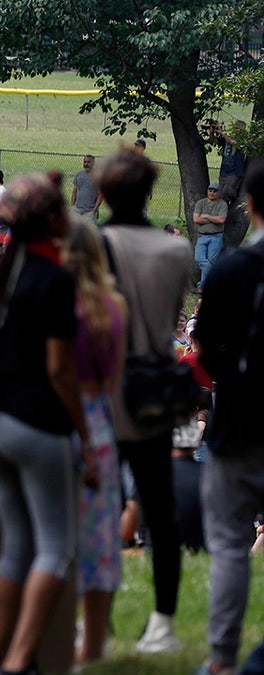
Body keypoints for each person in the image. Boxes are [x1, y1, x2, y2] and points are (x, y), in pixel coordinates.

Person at [0, 175, 93, 675]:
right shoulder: (55, 279)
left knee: (15, 545)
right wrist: (86, 435)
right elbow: (62, 369)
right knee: (54, 548)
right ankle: (19, 661)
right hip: (37, 424)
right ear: (52, 221)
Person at [98, 150, 191, 654]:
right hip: (153, 389)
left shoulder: (88, 246)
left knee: (97, 508)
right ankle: (163, 622)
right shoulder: (175, 252)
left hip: (100, 390)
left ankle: (96, 620)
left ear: (105, 193)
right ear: (151, 191)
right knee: (159, 507)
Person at [193, 163, 264, 675]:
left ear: (251, 207)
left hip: (241, 418)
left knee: (230, 544)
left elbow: (206, 348)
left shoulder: (234, 270)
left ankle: (221, 661)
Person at [61, 220, 127, 666]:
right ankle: (95, 643)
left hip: (56, 419)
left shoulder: (55, 302)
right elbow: (114, 379)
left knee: (52, 533)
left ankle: (54, 632)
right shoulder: (112, 306)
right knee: (100, 532)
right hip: (100, 419)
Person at [194, 182, 228, 291]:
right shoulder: (200, 203)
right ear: (207, 191)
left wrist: (207, 216)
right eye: (210, 190)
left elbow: (221, 220)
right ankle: (217, 279)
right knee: (199, 258)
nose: (212, 193)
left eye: (214, 191)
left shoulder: (222, 204)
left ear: (218, 193)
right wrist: (214, 219)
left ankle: (202, 286)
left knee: (211, 261)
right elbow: (196, 219)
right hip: (202, 236)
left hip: (216, 237)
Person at [71, 154, 102, 222]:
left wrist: (94, 210)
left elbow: (101, 195)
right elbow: (74, 191)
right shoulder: (79, 175)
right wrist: (73, 206)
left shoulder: (97, 176)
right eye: (85, 162)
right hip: (77, 210)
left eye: (88, 162)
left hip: (89, 212)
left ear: (93, 163)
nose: (86, 164)